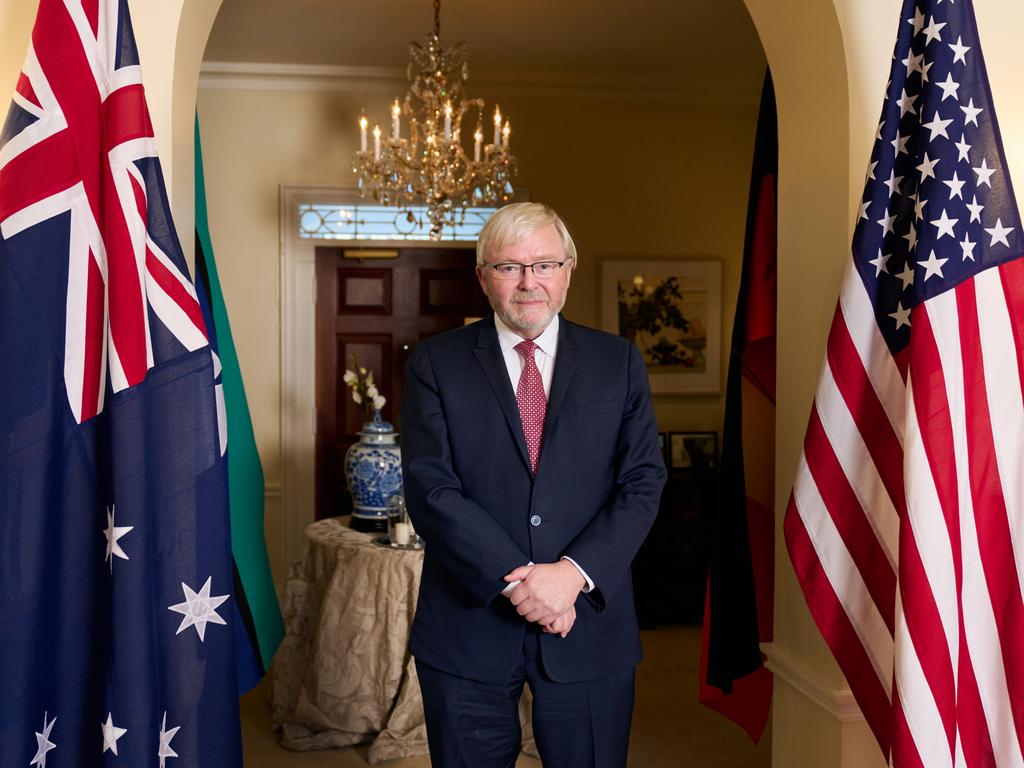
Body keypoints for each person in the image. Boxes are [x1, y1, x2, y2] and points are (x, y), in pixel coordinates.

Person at [401, 202, 666, 767]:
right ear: (483, 276)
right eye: (509, 267)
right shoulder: (435, 363)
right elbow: (432, 490)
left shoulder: (616, 362)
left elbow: (642, 481)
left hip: (588, 624)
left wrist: (571, 576)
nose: (529, 283)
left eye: (544, 265)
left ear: (569, 268)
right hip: (467, 628)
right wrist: (525, 586)